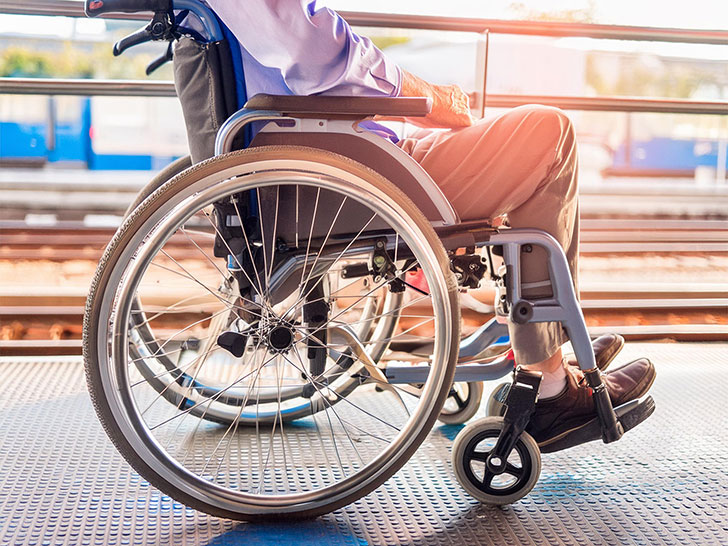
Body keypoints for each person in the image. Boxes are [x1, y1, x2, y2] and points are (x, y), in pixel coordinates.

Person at [202, 0, 655, 446]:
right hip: (340, 173)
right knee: (549, 133)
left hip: (327, 160)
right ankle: (549, 380)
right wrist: (430, 99)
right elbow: (320, 55)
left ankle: (545, 353)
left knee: (509, 143)